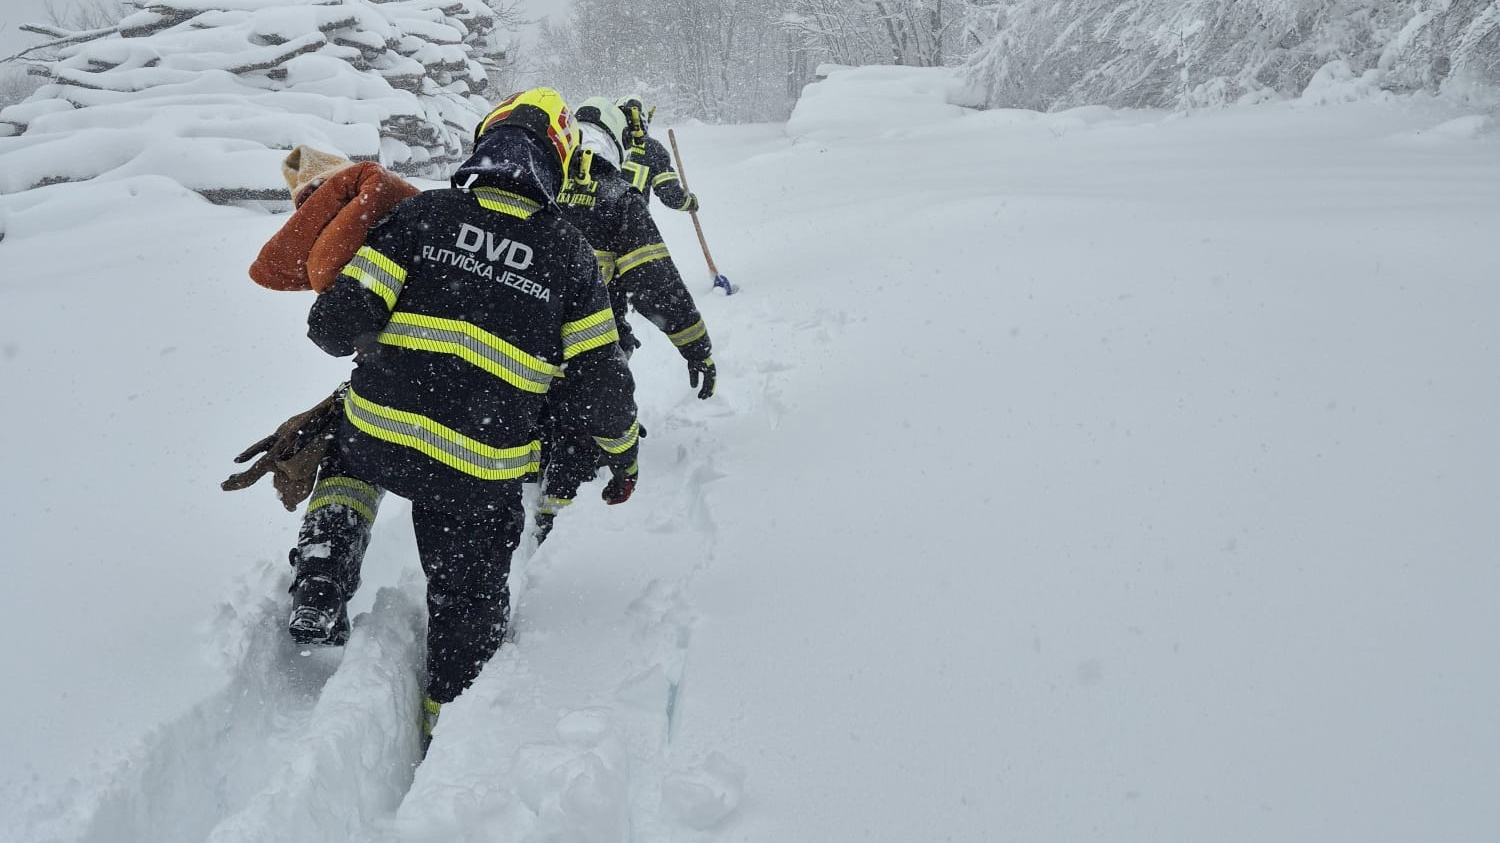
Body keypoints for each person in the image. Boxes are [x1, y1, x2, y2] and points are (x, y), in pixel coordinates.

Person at [295, 87, 640, 753]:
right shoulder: (568, 257)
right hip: (476, 477)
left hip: (382, 435)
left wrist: (372, 326)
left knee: (346, 451)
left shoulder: (423, 216)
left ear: (487, 143)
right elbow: (602, 389)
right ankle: (444, 737)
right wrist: (622, 455)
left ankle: (324, 566)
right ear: (556, 165)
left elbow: (332, 326)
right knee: (467, 611)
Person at [534, 96, 716, 543]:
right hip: (589, 352)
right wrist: (698, 349)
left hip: (517, 351)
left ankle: (534, 486)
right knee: (583, 431)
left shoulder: (535, 183)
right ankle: (551, 527)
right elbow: (659, 287)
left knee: (534, 428)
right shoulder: (617, 196)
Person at [615, 94, 699, 213]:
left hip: (594, 219)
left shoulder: (603, 142)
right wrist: (688, 202)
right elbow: (669, 194)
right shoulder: (653, 149)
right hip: (631, 220)